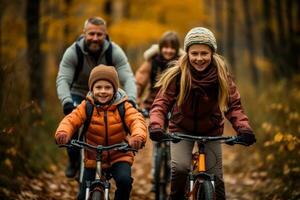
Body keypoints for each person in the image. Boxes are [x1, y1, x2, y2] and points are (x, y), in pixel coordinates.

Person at [148, 27, 256, 200]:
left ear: (212, 53)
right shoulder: (177, 75)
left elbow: (234, 106)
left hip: (210, 131)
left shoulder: (221, 76)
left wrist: (244, 129)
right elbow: (161, 104)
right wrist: (156, 125)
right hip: (181, 130)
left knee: (217, 180)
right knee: (181, 169)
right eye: (194, 53)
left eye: (204, 53)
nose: (199, 58)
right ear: (187, 54)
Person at [56, 16, 137, 178]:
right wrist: (66, 101)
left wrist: (132, 99)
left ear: (105, 34)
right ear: (84, 33)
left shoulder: (114, 52)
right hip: (78, 93)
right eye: (91, 34)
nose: (95, 38)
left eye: (99, 34)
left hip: (108, 93)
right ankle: (73, 160)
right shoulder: (73, 52)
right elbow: (63, 79)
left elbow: (127, 77)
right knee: (73, 125)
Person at [55, 65, 147, 200]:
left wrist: (137, 136)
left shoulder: (123, 106)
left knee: (125, 182)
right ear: (92, 89)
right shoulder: (86, 106)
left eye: (108, 87)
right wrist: (63, 133)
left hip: (119, 155)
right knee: (83, 194)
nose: (103, 91)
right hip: (93, 157)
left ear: (114, 90)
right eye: (98, 87)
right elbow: (71, 120)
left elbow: (136, 120)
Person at [135, 31, 183, 113]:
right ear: (160, 48)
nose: (169, 51)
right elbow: (139, 80)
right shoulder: (152, 61)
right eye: (166, 47)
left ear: (177, 49)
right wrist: (136, 97)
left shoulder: (181, 64)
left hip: (175, 105)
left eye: (172, 48)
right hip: (151, 103)